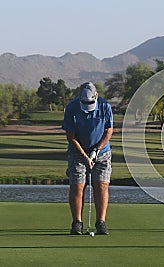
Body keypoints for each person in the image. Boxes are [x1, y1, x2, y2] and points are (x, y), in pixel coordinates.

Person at [62, 82, 113, 235]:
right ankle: (77, 223)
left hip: (102, 152)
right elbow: (70, 136)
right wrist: (85, 155)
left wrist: (96, 151)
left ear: (96, 96)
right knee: (77, 186)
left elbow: (108, 131)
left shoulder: (105, 106)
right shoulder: (72, 108)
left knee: (101, 185)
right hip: (77, 153)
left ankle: (101, 222)